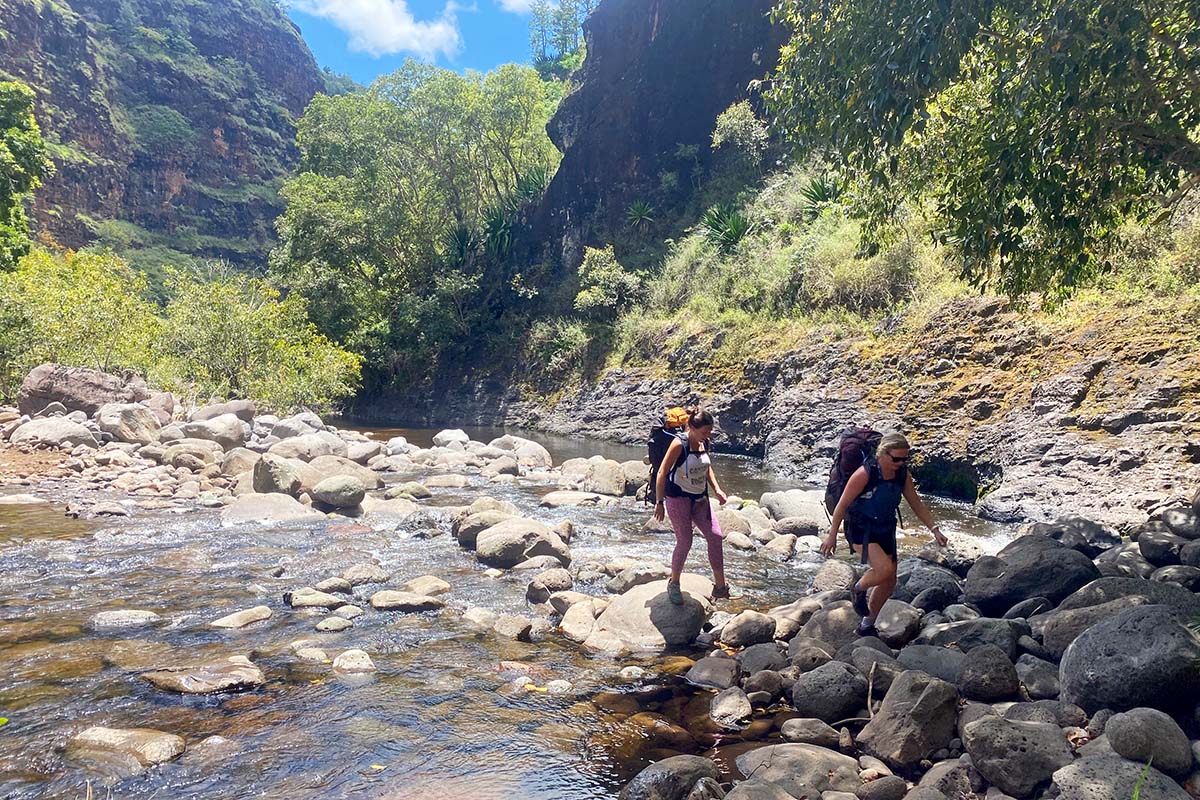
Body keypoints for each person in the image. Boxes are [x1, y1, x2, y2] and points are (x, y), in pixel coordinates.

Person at [819, 432, 948, 635]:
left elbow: (916, 503)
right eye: (896, 458)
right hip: (861, 528)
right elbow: (842, 505)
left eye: (905, 459)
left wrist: (934, 529)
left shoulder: (902, 474)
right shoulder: (864, 474)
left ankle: (866, 626)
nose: (901, 463)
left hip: (885, 528)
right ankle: (858, 588)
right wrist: (832, 535)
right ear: (882, 453)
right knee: (883, 569)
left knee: (889, 582)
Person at [653, 407, 731, 604]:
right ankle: (674, 583)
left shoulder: (704, 443)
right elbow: (662, 472)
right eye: (704, 432)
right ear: (691, 428)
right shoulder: (679, 444)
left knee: (715, 536)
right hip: (677, 498)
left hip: (699, 499)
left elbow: (706, 467)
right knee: (685, 541)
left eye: (709, 432)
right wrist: (659, 502)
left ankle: (721, 588)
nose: (707, 435)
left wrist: (717, 489)